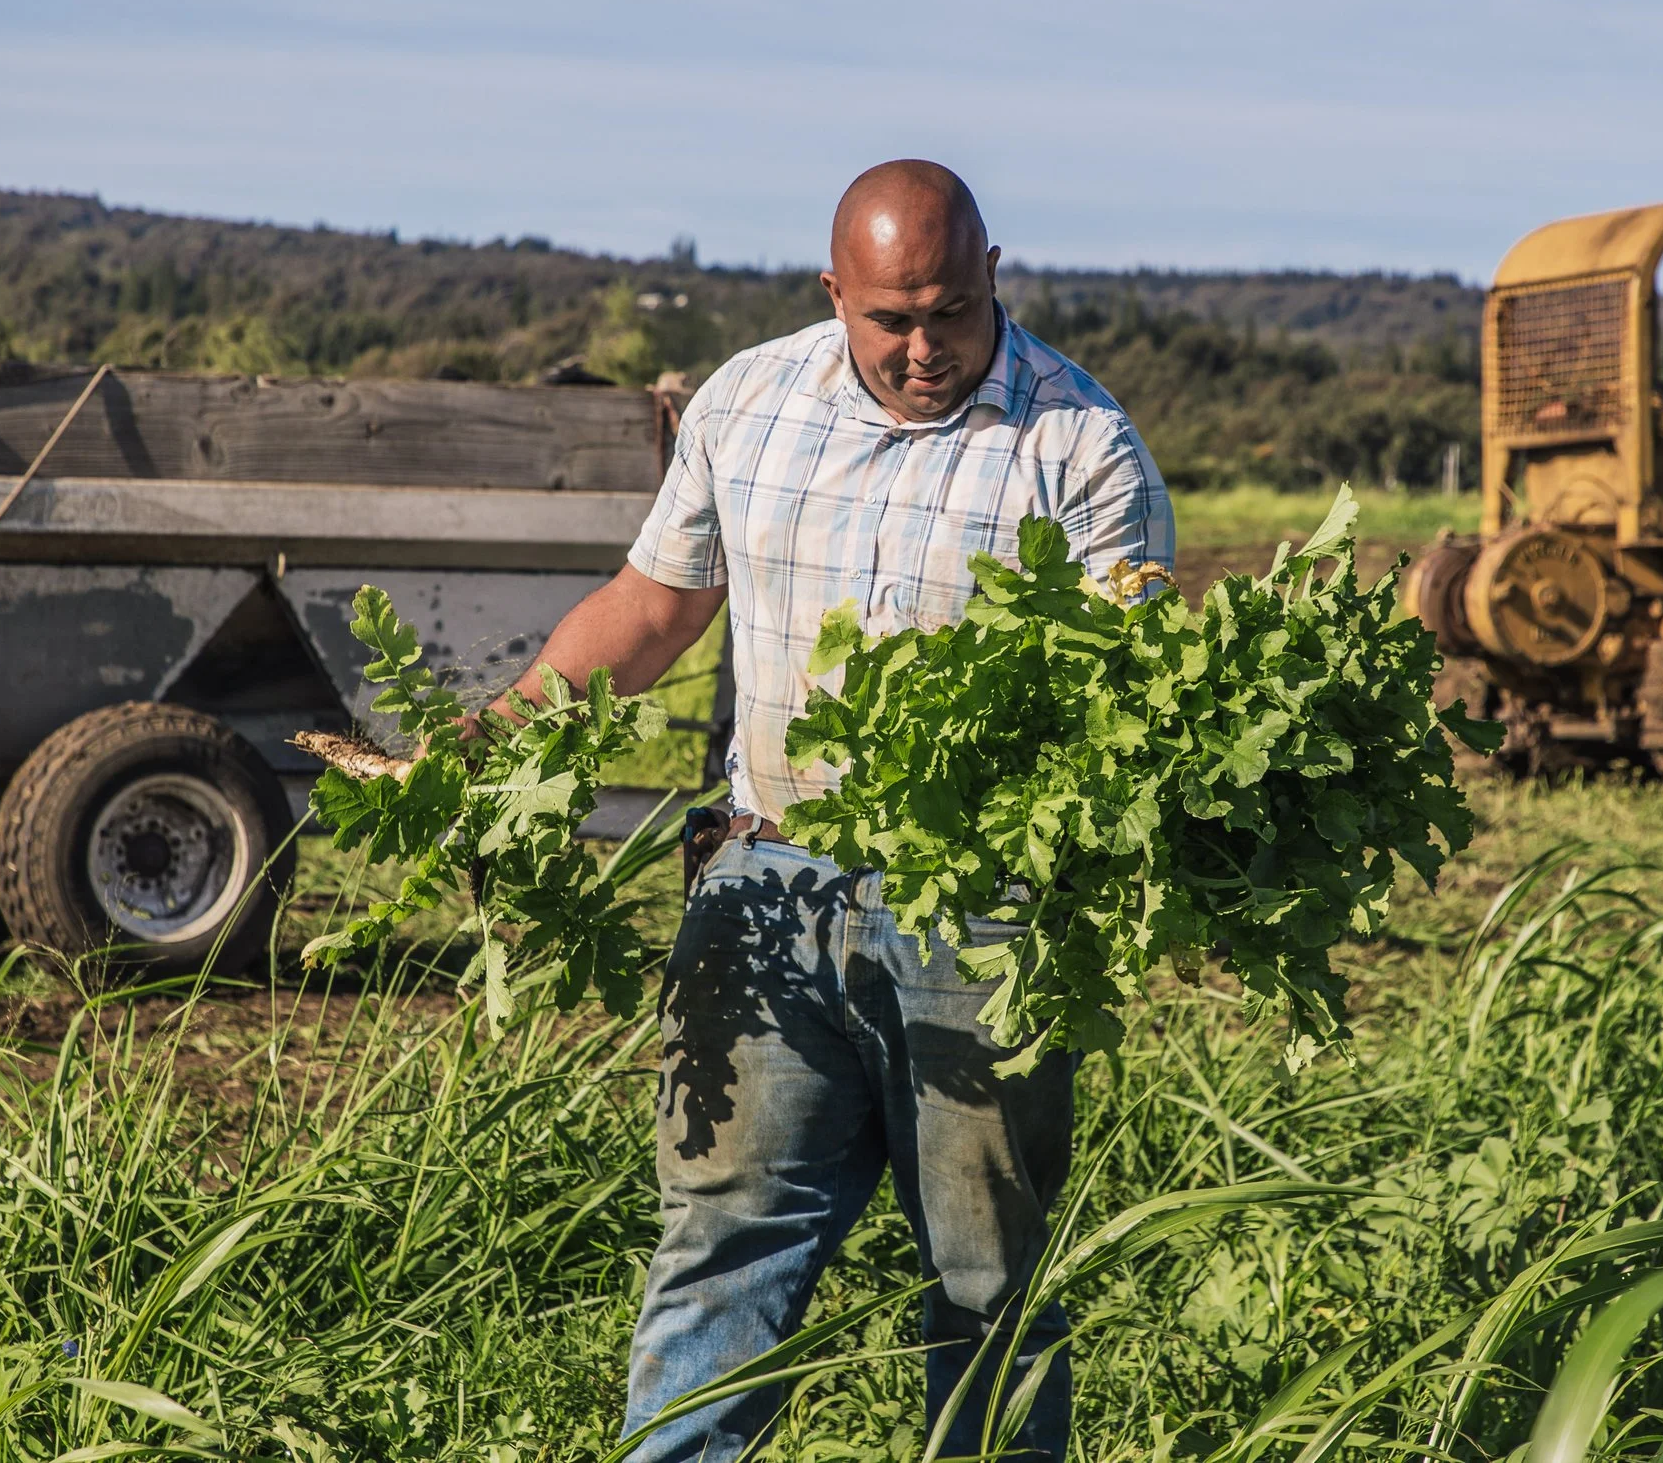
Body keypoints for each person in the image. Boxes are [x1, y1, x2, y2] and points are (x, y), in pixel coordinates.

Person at [479, 160, 1172, 1459]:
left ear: (994, 278)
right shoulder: (747, 404)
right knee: (720, 1251)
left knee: (985, 1280)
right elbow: (652, 608)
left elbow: (1124, 700)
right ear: (834, 292)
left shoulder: (1081, 449)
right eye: (891, 318)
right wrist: (506, 727)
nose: (923, 348)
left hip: (979, 913)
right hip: (762, 885)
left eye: (952, 314)